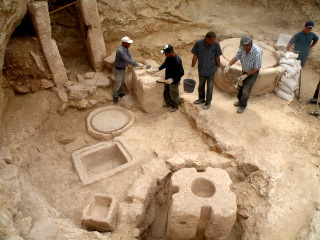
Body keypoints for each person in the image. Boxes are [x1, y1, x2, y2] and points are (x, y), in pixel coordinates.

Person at [224, 36, 263, 114]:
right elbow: (236, 57)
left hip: (252, 73)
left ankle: (243, 105)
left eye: (244, 47)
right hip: (244, 70)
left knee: (245, 91)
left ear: (249, 45)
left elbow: (257, 68)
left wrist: (246, 75)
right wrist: (229, 65)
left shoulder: (257, 52)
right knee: (240, 88)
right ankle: (240, 101)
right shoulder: (243, 48)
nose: (242, 48)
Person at [285, 21, 318, 103]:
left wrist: (310, 47)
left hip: (304, 56)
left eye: (310, 28)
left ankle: (296, 85)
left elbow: (316, 40)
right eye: (308, 28)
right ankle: (291, 84)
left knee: (300, 71)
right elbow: (290, 43)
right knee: (293, 70)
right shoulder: (298, 35)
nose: (309, 29)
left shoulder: (312, 35)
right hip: (296, 56)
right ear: (304, 27)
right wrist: (286, 52)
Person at [189, 31, 222, 110]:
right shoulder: (198, 44)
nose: (213, 42)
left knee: (210, 87)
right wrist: (192, 67)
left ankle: (208, 102)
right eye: (212, 41)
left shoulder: (216, 45)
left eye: (214, 41)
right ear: (207, 39)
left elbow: (217, 56)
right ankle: (201, 99)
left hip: (211, 70)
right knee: (201, 85)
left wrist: (219, 67)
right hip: (202, 69)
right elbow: (195, 56)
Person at [113, 36, 144, 103]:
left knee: (121, 82)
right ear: (124, 43)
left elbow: (129, 56)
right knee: (118, 83)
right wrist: (137, 64)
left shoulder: (126, 48)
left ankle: (119, 93)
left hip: (123, 68)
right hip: (118, 69)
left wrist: (134, 63)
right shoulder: (120, 50)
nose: (130, 44)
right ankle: (115, 96)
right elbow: (126, 59)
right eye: (128, 43)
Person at [156, 44, 184, 112]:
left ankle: (175, 105)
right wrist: (159, 69)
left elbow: (181, 73)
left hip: (174, 80)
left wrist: (173, 79)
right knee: (167, 91)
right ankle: (169, 102)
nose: (165, 55)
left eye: (166, 53)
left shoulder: (177, 60)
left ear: (171, 52)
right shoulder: (168, 57)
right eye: (165, 53)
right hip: (167, 77)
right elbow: (165, 63)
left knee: (173, 92)